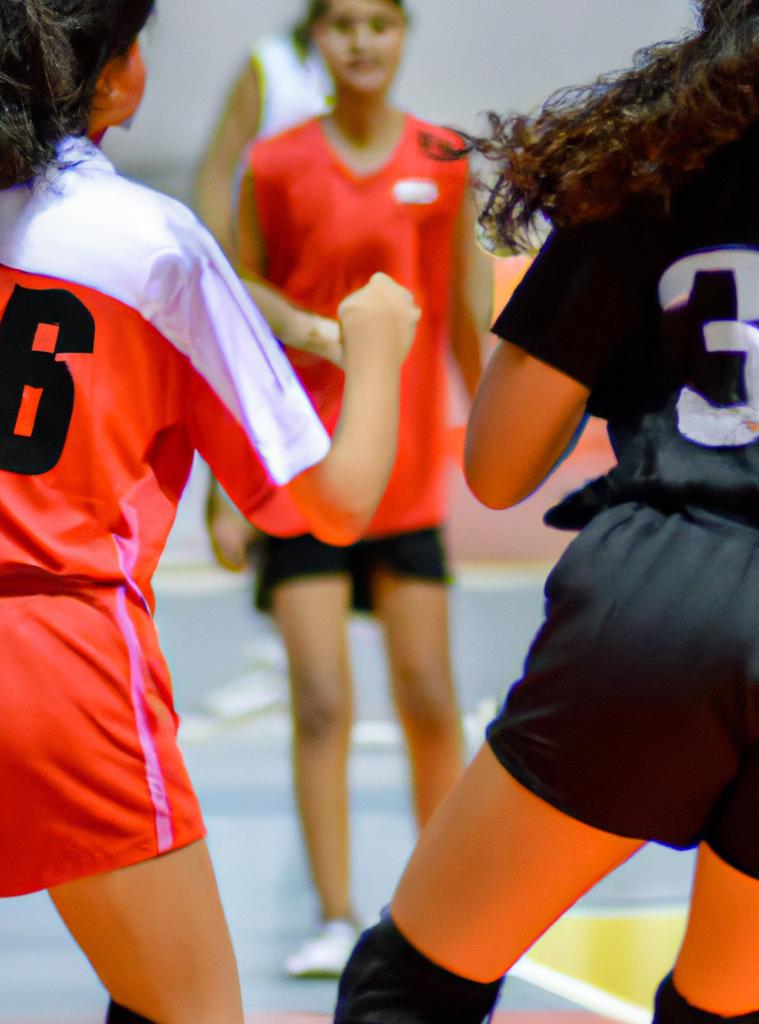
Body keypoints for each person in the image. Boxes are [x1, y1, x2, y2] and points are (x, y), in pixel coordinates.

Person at [330, 0, 759, 1021]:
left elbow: (499, 468)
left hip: (667, 593)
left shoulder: (646, 170)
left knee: (413, 983)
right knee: (733, 1011)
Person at [0, 2, 418, 1022]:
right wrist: (373, 354)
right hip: (59, 662)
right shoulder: (148, 243)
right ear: (113, 80)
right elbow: (330, 504)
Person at [201, 0, 493, 978]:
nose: (361, 40)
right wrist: (224, 484)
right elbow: (234, 308)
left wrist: (497, 447)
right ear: (314, 39)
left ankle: (439, 917)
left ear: (402, 34)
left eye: (380, 22)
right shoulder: (275, 164)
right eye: (341, 23)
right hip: (302, 478)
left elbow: (462, 316)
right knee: (320, 701)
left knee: (427, 697)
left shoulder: (445, 156)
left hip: (407, 483)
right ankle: (333, 915)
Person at [193, 2, 333, 256]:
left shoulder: (370, 66)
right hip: (264, 261)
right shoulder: (274, 65)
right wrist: (226, 263)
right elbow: (218, 173)